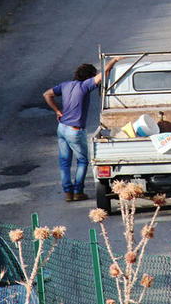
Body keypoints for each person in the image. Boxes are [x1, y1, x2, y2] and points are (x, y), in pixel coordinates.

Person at [43, 57, 120, 201]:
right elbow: (103, 74)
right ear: (88, 76)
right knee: (83, 160)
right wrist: (114, 61)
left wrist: (57, 111)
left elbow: (46, 94)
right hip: (75, 130)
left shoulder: (65, 85)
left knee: (64, 162)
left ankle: (67, 193)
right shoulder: (85, 86)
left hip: (62, 128)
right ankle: (78, 192)